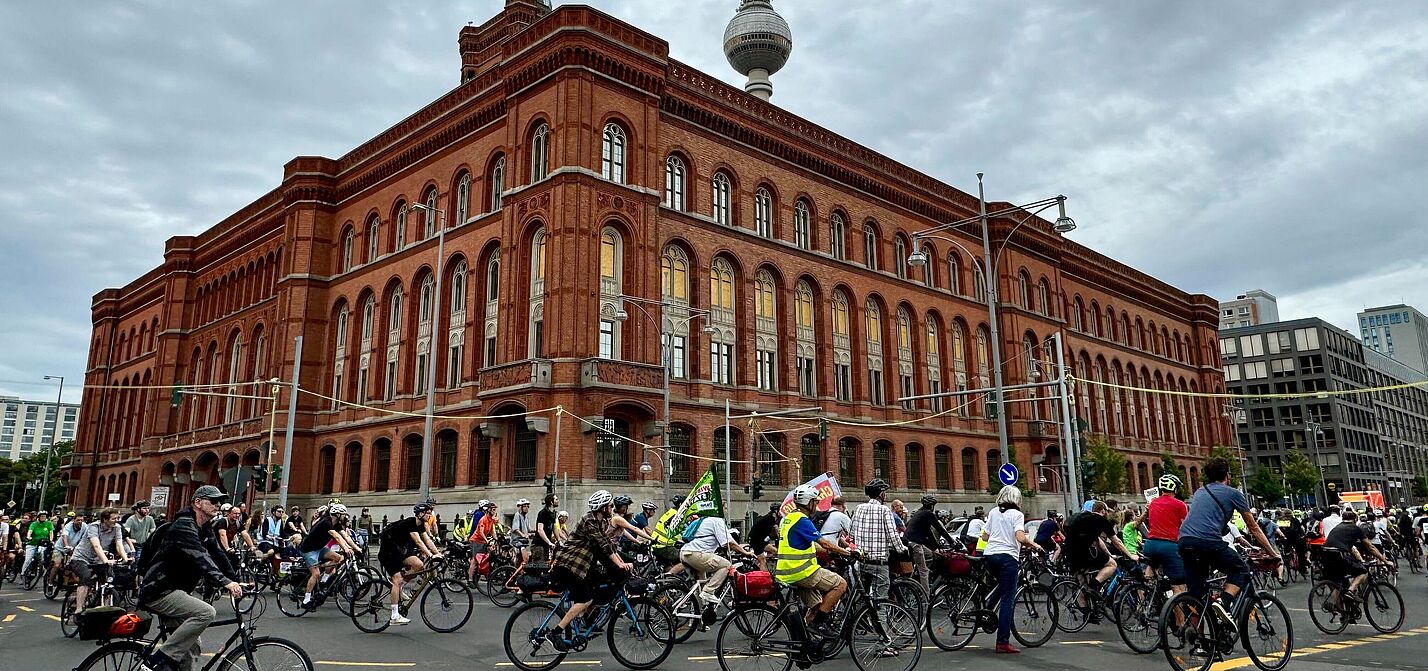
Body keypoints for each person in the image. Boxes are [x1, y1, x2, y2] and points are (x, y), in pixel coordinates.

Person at [137, 485, 244, 671]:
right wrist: (225, 582)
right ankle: (158, 661)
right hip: (159, 590)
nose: (218, 505)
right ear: (198, 502)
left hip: (175, 590)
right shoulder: (184, 525)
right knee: (206, 613)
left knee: (192, 647)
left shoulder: (204, 528)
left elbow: (217, 555)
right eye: (213, 501)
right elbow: (201, 557)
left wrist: (235, 579)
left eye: (220, 501)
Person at [1177, 456, 1278, 625]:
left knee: (1197, 594)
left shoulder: (1200, 491)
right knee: (1241, 570)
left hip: (1185, 541)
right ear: (1227, 476)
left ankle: (1199, 641)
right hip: (1207, 542)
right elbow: (1253, 527)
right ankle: (1223, 601)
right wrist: (1272, 553)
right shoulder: (1233, 493)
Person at [546, 491, 634, 651]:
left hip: (582, 567)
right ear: (602, 507)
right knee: (584, 599)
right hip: (568, 566)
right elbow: (604, 545)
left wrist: (623, 563)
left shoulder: (600, 522)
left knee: (599, 587)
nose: (612, 509)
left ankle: (585, 619)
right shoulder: (589, 520)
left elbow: (609, 544)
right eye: (610, 506)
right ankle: (555, 632)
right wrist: (620, 565)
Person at [776, 484, 854, 638]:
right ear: (809, 502)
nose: (817, 505)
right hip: (802, 571)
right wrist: (847, 552)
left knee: (818, 606)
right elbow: (823, 542)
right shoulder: (802, 521)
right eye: (816, 502)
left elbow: (810, 546)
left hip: (787, 571)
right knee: (841, 584)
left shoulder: (788, 518)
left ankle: (803, 640)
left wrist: (832, 553)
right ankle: (819, 623)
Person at [979, 485, 1044, 654]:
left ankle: (985, 614)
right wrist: (1034, 545)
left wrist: (999, 533)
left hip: (990, 556)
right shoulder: (1017, 514)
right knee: (1008, 598)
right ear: (1017, 499)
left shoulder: (993, 512)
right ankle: (1002, 642)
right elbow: (1020, 537)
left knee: (1002, 586)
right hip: (1007, 558)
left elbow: (985, 536)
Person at [1063, 500, 1135, 620]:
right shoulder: (1101, 520)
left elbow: (1099, 541)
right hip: (1084, 552)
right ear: (1102, 511)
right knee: (1112, 565)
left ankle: (1088, 613)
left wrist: (1108, 554)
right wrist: (1130, 555)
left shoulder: (1082, 518)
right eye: (1107, 511)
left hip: (1069, 552)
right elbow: (1116, 541)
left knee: (1082, 583)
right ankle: (1094, 585)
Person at [680, 509, 756, 624]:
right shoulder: (716, 520)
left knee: (700, 585)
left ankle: (696, 621)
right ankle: (709, 592)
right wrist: (745, 553)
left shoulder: (704, 520)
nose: (725, 510)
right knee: (726, 565)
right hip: (695, 553)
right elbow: (728, 543)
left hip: (687, 553)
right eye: (724, 507)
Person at [377, 504, 443, 626]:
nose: (430, 515)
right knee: (397, 580)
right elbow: (418, 541)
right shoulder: (410, 523)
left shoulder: (421, 525)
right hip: (388, 552)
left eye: (430, 513)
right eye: (427, 513)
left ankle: (400, 588)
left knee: (419, 566)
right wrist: (430, 555)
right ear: (420, 514)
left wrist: (438, 553)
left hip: (400, 551)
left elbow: (427, 540)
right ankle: (394, 616)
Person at [851, 478, 907, 599]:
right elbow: (893, 535)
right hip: (878, 563)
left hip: (861, 562)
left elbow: (851, 534)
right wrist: (902, 549)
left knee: (863, 598)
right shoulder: (884, 510)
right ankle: (880, 618)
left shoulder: (859, 508)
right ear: (881, 494)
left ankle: (860, 617)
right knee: (880, 600)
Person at [1322, 509, 1388, 609]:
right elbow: (1371, 548)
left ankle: (1341, 612)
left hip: (1325, 554)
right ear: (1355, 519)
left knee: (1338, 583)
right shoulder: (1356, 529)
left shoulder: (1337, 527)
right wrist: (1385, 561)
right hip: (1339, 554)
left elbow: (1351, 548)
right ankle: (1351, 591)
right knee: (1362, 572)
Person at [71, 507, 130, 618]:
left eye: (118, 518)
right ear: (104, 519)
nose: (116, 520)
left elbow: (119, 544)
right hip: (81, 558)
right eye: (114, 518)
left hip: (98, 559)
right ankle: (78, 609)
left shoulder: (116, 528)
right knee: (86, 576)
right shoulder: (93, 527)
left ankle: (104, 605)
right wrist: (106, 560)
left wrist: (126, 558)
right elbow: (96, 545)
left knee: (110, 577)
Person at [299, 503, 360, 610]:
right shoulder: (326, 522)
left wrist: (356, 548)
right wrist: (346, 549)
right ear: (337, 514)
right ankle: (306, 600)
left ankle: (324, 581)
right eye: (343, 514)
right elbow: (337, 537)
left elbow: (345, 536)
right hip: (309, 550)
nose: (345, 516)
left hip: (319, 548)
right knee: (315, 573)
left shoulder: (336, 523)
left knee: (338, 558)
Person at [1142, 474, 1189, 596]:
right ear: (1174, 488)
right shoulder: (1180, 505)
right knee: (1178, 587)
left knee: (1150, 571)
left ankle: (1141, 602)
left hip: (1150, 545)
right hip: (1169, 546)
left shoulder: (1152, 503)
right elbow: (1185, 528)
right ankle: (1179, 614)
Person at [905, 495, 955, 595]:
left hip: (911, 541)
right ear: (932, 506)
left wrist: (937, 547)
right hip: (915, 544)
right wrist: (952, 542)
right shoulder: (928, 513)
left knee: (930, 555)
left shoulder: (920, 512)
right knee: (924, 571)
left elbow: (929, 533)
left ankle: (916, 574)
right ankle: (925, 597)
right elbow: (940, 529)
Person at [468, 501, 498, 582]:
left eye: (495, 510)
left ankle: (487, 574)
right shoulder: (483, 519)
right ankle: (470, 579)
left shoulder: (491, 520)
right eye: (493, 510)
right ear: (488, 510)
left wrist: (496, 538)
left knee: (490, 554)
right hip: (476, 540)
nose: (494, 512)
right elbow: (481, 532)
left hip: (483, 541)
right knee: (475, 560)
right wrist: (487, 540)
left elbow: (492, 531)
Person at [747, 503, 782, 570]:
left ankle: (771, 568)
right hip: (755, 540)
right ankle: (764, 578)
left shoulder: (772, 518)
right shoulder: (769, 518)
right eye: (780, 510)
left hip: (761, 540)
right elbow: (775, 531)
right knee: (762, 560)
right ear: (776, 511)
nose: (781, 513)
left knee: (775, 551)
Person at [534, 494, 559, 563]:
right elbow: (540, 529)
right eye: (556, 499)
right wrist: (549, 542)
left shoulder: (553, 513)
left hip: (546, 544)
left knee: (545, 563)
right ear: (551, 502)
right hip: (539, 544)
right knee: (538, 565)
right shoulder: (543, 513)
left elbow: (554, 528)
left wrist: (559, 541)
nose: (558, 501)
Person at [511, 498, 533, 564]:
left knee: (520, 559)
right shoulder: (517, 515)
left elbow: (530, 529)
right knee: (525, 558)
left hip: (523, 541)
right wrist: (523, 535)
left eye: (527, 506)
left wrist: (537, 531)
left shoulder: (526, 517)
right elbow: (515, 529)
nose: (526, 508)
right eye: (524, 506)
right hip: (518, 541)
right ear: (520, 507)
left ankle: (519, 571)